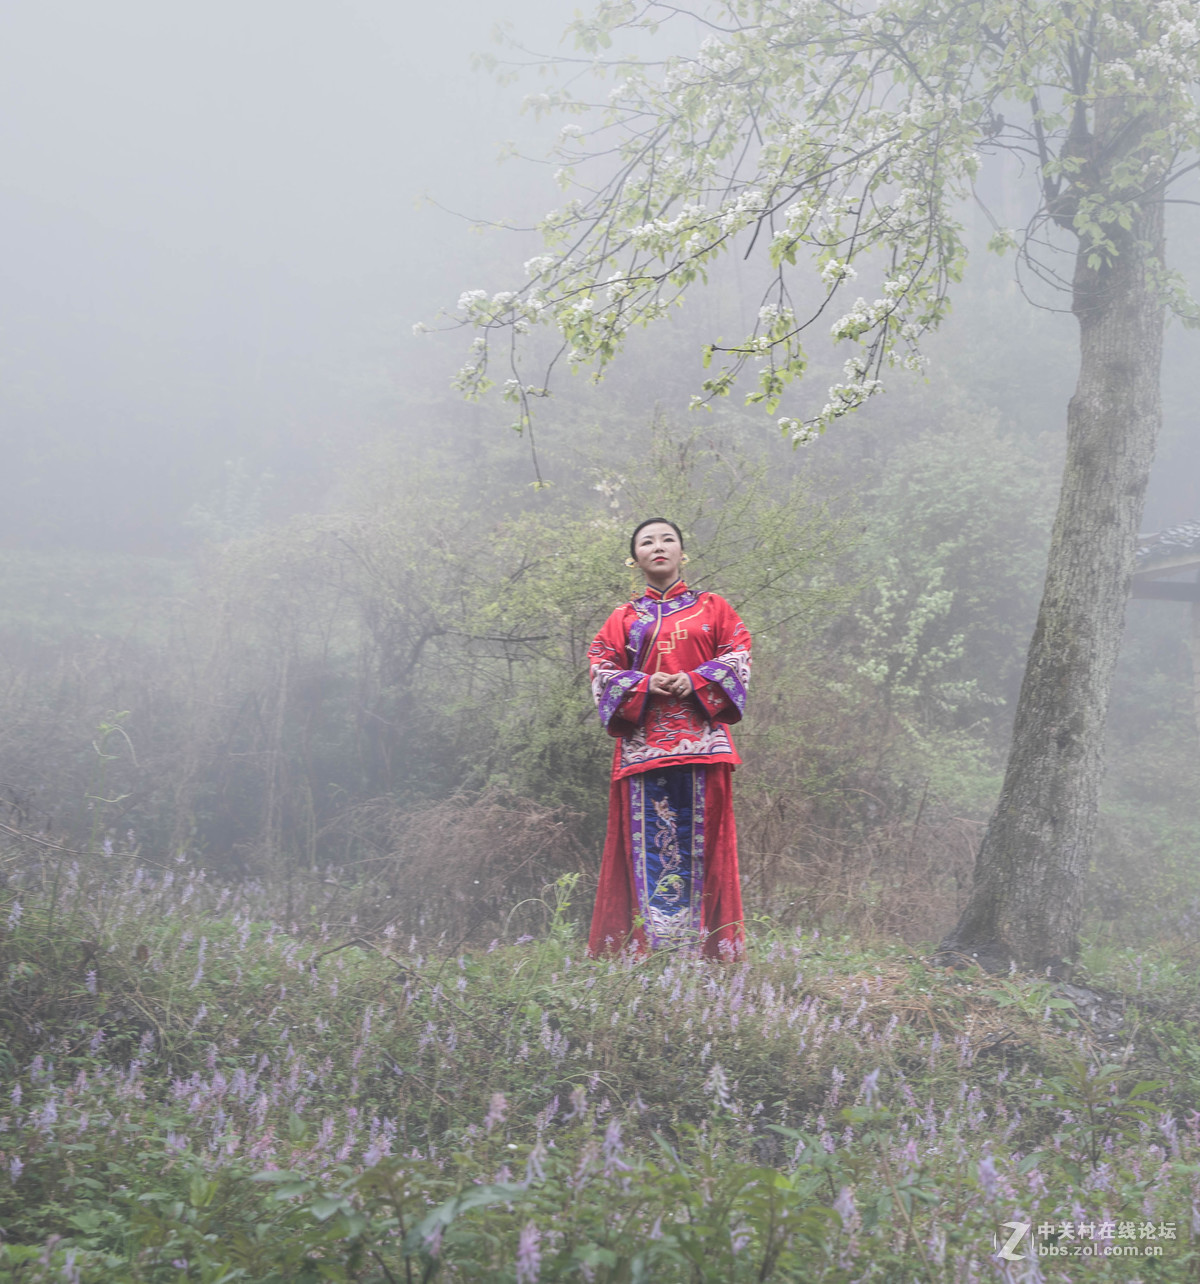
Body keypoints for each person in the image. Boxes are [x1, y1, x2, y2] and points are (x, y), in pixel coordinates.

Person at [587, 518, 750, 958]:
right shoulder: (623, 618)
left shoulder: (714, 608)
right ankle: (650, 955)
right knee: (647, 850)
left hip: (703, 747)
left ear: (682, 552)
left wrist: (695, 679)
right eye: (647, 541)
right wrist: (644, 684)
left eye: (667, 539)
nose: (658, 546)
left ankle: (707, 959)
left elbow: (738, 654)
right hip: (644, 751)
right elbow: (601, 668)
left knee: (707, 851)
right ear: (634, 558)